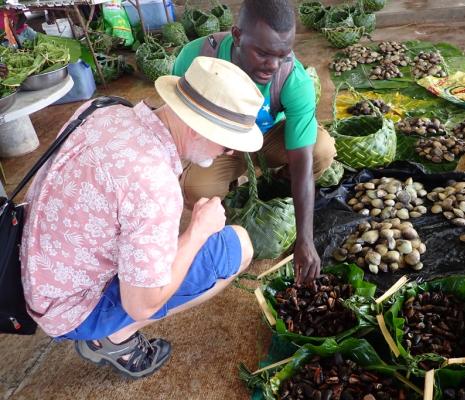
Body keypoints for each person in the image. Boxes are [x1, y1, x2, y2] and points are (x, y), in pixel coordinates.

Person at [20, 57, 265, 378]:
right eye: (228, 140)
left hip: (31, 267)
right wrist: (197, 232)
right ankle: (113, 337)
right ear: (195, 125)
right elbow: (142, 303)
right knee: (238, 246)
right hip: (67, 309)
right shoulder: (154, 185)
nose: (232, 151)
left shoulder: (104, 108)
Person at [172, 0, 337, 284]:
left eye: (282, 55)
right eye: (262, 53)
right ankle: (225, 214)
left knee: (321, 150)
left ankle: (274, 188)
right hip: (216, 143)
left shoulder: (293, 79)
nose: (272, 65)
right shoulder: (197, 58)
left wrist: (305, 239)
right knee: (195, 187)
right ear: (237, 35)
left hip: (264, 139)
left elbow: (302, 159)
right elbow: (175, 124)